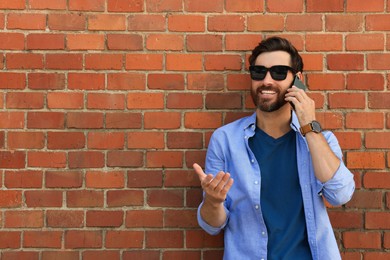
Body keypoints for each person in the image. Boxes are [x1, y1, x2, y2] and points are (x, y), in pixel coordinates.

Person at [193, 36, 355, 260]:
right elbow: (213, 226)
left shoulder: (321, 140)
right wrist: (213, 201)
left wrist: (309, 126)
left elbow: (340, 195)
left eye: (279, 72)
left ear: (297, 81)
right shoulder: (225, 140)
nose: (266, 80)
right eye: (259, 72)